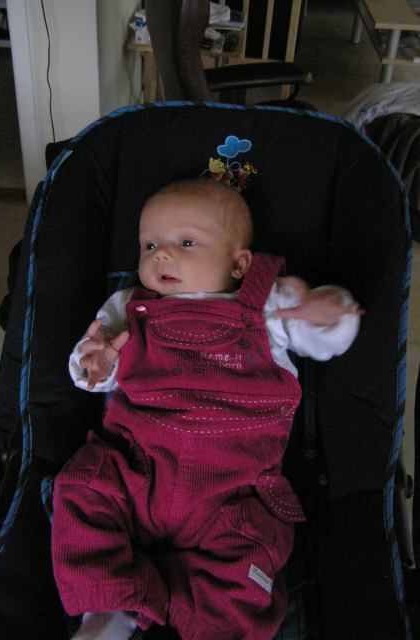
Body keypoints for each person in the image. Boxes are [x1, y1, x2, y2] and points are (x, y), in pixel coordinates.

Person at [51, 179, 362, 640]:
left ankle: (205, 624)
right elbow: (93, 367)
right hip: (137, 469)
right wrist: (94, 364)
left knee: (249, 559)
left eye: (186, 243)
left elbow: (327, 339)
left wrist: (328, 310)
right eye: (149, 245)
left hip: (231, 491)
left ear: (240, 264)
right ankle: (111, 606)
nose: (161, 255)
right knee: (81, 486)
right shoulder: (128, 306)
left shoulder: (270, 306)